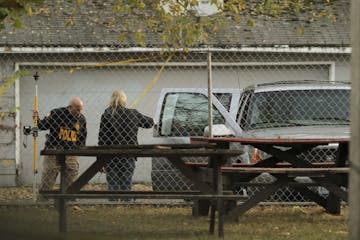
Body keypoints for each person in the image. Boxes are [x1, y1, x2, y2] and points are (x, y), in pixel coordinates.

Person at [98, 90, 154, 195]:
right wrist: (156, 120)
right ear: (124, 100)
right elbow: (149, 123)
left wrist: (100, 158)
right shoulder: (132, 113)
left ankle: (113, 203)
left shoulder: (106, 114)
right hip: (129, 153)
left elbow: (102, 138)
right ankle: (126, 203)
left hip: (111, 155)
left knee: (112, 182)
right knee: (126, 181)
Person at [35, 97, 87, 191]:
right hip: (54, 148)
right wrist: (37, 119)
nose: (79, 112)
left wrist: (78, 149)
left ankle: (68, 196)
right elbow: (42, 125)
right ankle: (44, 197)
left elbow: (82, 137)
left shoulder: (82, 119)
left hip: (71, 149)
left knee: (72, 172)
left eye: (81, 110)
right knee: (49, 172)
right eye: (77, 109)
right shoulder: (56, 113)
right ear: (70, 107)